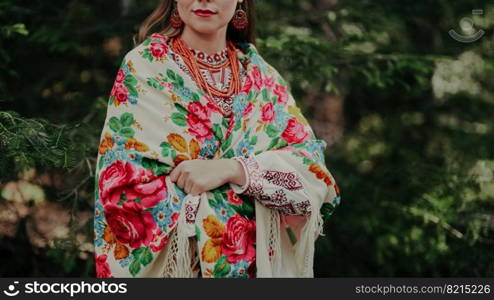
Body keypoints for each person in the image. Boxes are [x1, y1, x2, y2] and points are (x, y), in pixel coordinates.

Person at [93, 0, 341, 278]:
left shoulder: (262, 78)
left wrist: (234, 170)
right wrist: (253, 194)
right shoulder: (146, 68)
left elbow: (315, 174)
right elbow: (123, 190)